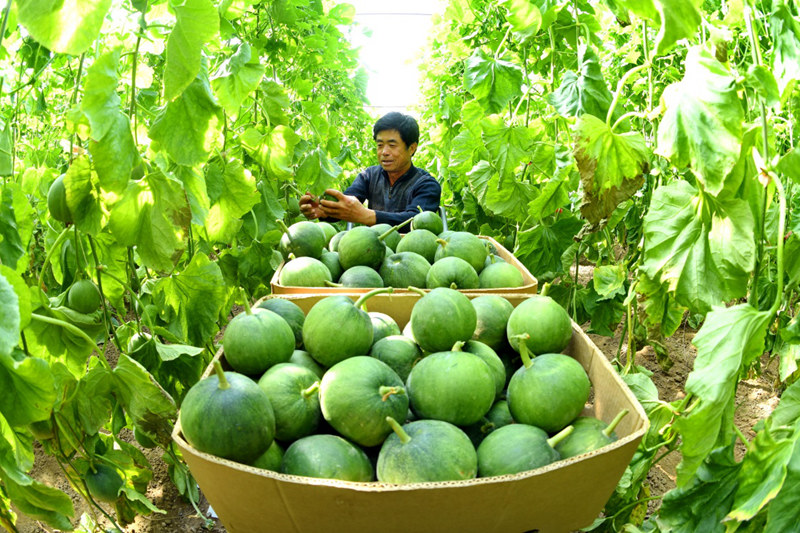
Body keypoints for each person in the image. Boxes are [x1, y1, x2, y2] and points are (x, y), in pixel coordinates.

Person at [299, 112, 441, 229]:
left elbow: (418, 221)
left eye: (392, 145)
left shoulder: (427, 184)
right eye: (380, 145)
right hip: (370, 251)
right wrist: (324, 210)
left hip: (413, 254)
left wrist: (366, 215)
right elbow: (348, 202)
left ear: (412, 148)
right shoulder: (369, 176)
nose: (384, 152)